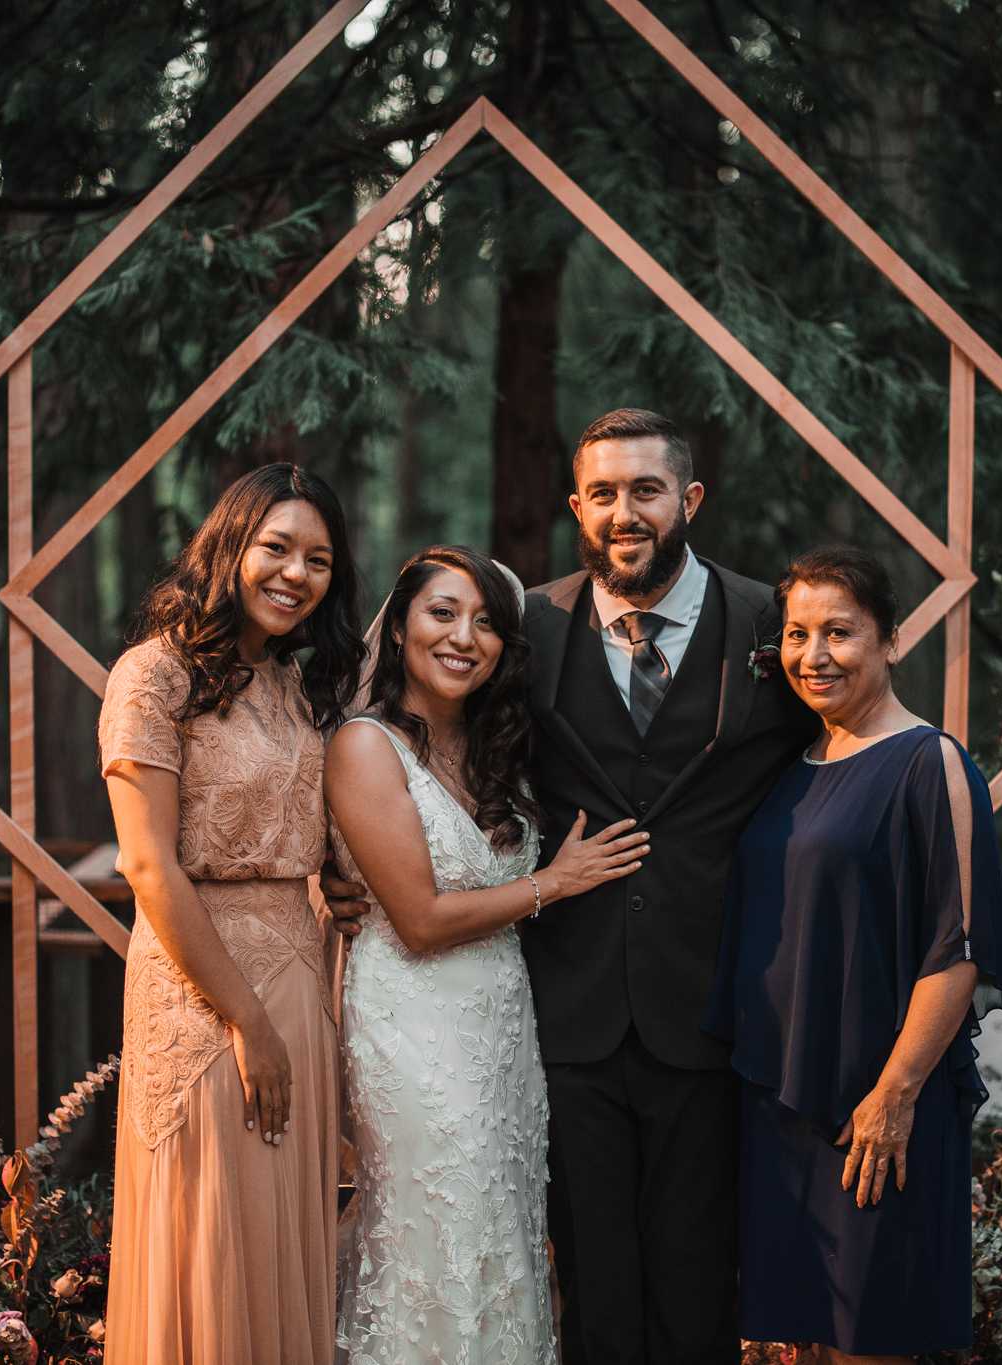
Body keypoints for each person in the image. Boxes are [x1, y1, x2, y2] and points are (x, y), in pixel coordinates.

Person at [521, 408, 817, 1364]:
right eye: (602, 493)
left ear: (687, 499)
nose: (624, 512)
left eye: (645, 490)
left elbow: (838, 756)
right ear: (578, 505)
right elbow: (439, 754)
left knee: (698, 1281)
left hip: (714, 999)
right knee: (592, 1284)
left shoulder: (771, 620)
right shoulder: (528, 623)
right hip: (570, 1006)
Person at [326, 545, 651, 1364]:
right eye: (442, 613)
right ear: (398, 626)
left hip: (502, 1030)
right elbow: (421, 918)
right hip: (414, 1028)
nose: (464, 636)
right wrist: (556, 882)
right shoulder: (365, 747)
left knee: (505, 1236)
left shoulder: (491, 746)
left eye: (485, 622)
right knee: (442, 1232)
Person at [707, 545, 1002, 1364]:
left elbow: (958, 945)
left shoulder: (931, 762)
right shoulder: (794, 765)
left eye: (840, 632)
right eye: (796, 633)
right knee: (794, 1345)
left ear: (892, 638)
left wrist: (895, 1094)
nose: (814, 655)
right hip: (783, 1103)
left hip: (874, 1111)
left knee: (868, 1340)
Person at [97, 463, 368, 1365]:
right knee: (212, 1222)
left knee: (283, 1228)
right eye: (277, 547)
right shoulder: (155, 673)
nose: (297, 573)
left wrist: (333, 876)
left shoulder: (292, 684)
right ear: (230, 545)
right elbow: (147, 864)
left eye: (319, 559)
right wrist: (245, 1020)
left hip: (299, 973)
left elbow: (296, 818)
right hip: (205, 994)